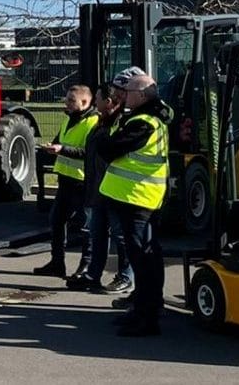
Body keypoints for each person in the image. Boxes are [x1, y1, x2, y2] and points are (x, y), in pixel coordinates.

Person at [99, 66, 173, 337]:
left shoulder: (143, 122)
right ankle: (141, 309)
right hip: (140, 197)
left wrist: (105, 136)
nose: (123, 97)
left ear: (141, 95)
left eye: (128, 92)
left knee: (143, 259)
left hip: (137, 198)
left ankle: (148, 317)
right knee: (144, 258)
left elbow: (110, 148)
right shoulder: (151, 117)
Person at [69, 85, 134, 294]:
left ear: (109, 102)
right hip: (98, 188)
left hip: (114, 189)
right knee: (97, 234)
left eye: (97, 99)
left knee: (120, 235)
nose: (95, 103)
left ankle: (126, 276)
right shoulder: (100, 123)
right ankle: (93, 275)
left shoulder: (119, 124)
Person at [33, 85, 97, 278]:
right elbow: (60, 141)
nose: (66, 103)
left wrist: (62, 150)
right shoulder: (69, 119)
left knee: (86, 226)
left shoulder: (93, 122)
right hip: (66, 179)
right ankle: (57, 262)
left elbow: (89, 153)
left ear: (85, 102)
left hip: (82, 181)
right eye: (66, 99)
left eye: (71, 100)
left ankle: (86, 265)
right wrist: (50, 148)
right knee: (57, 220)